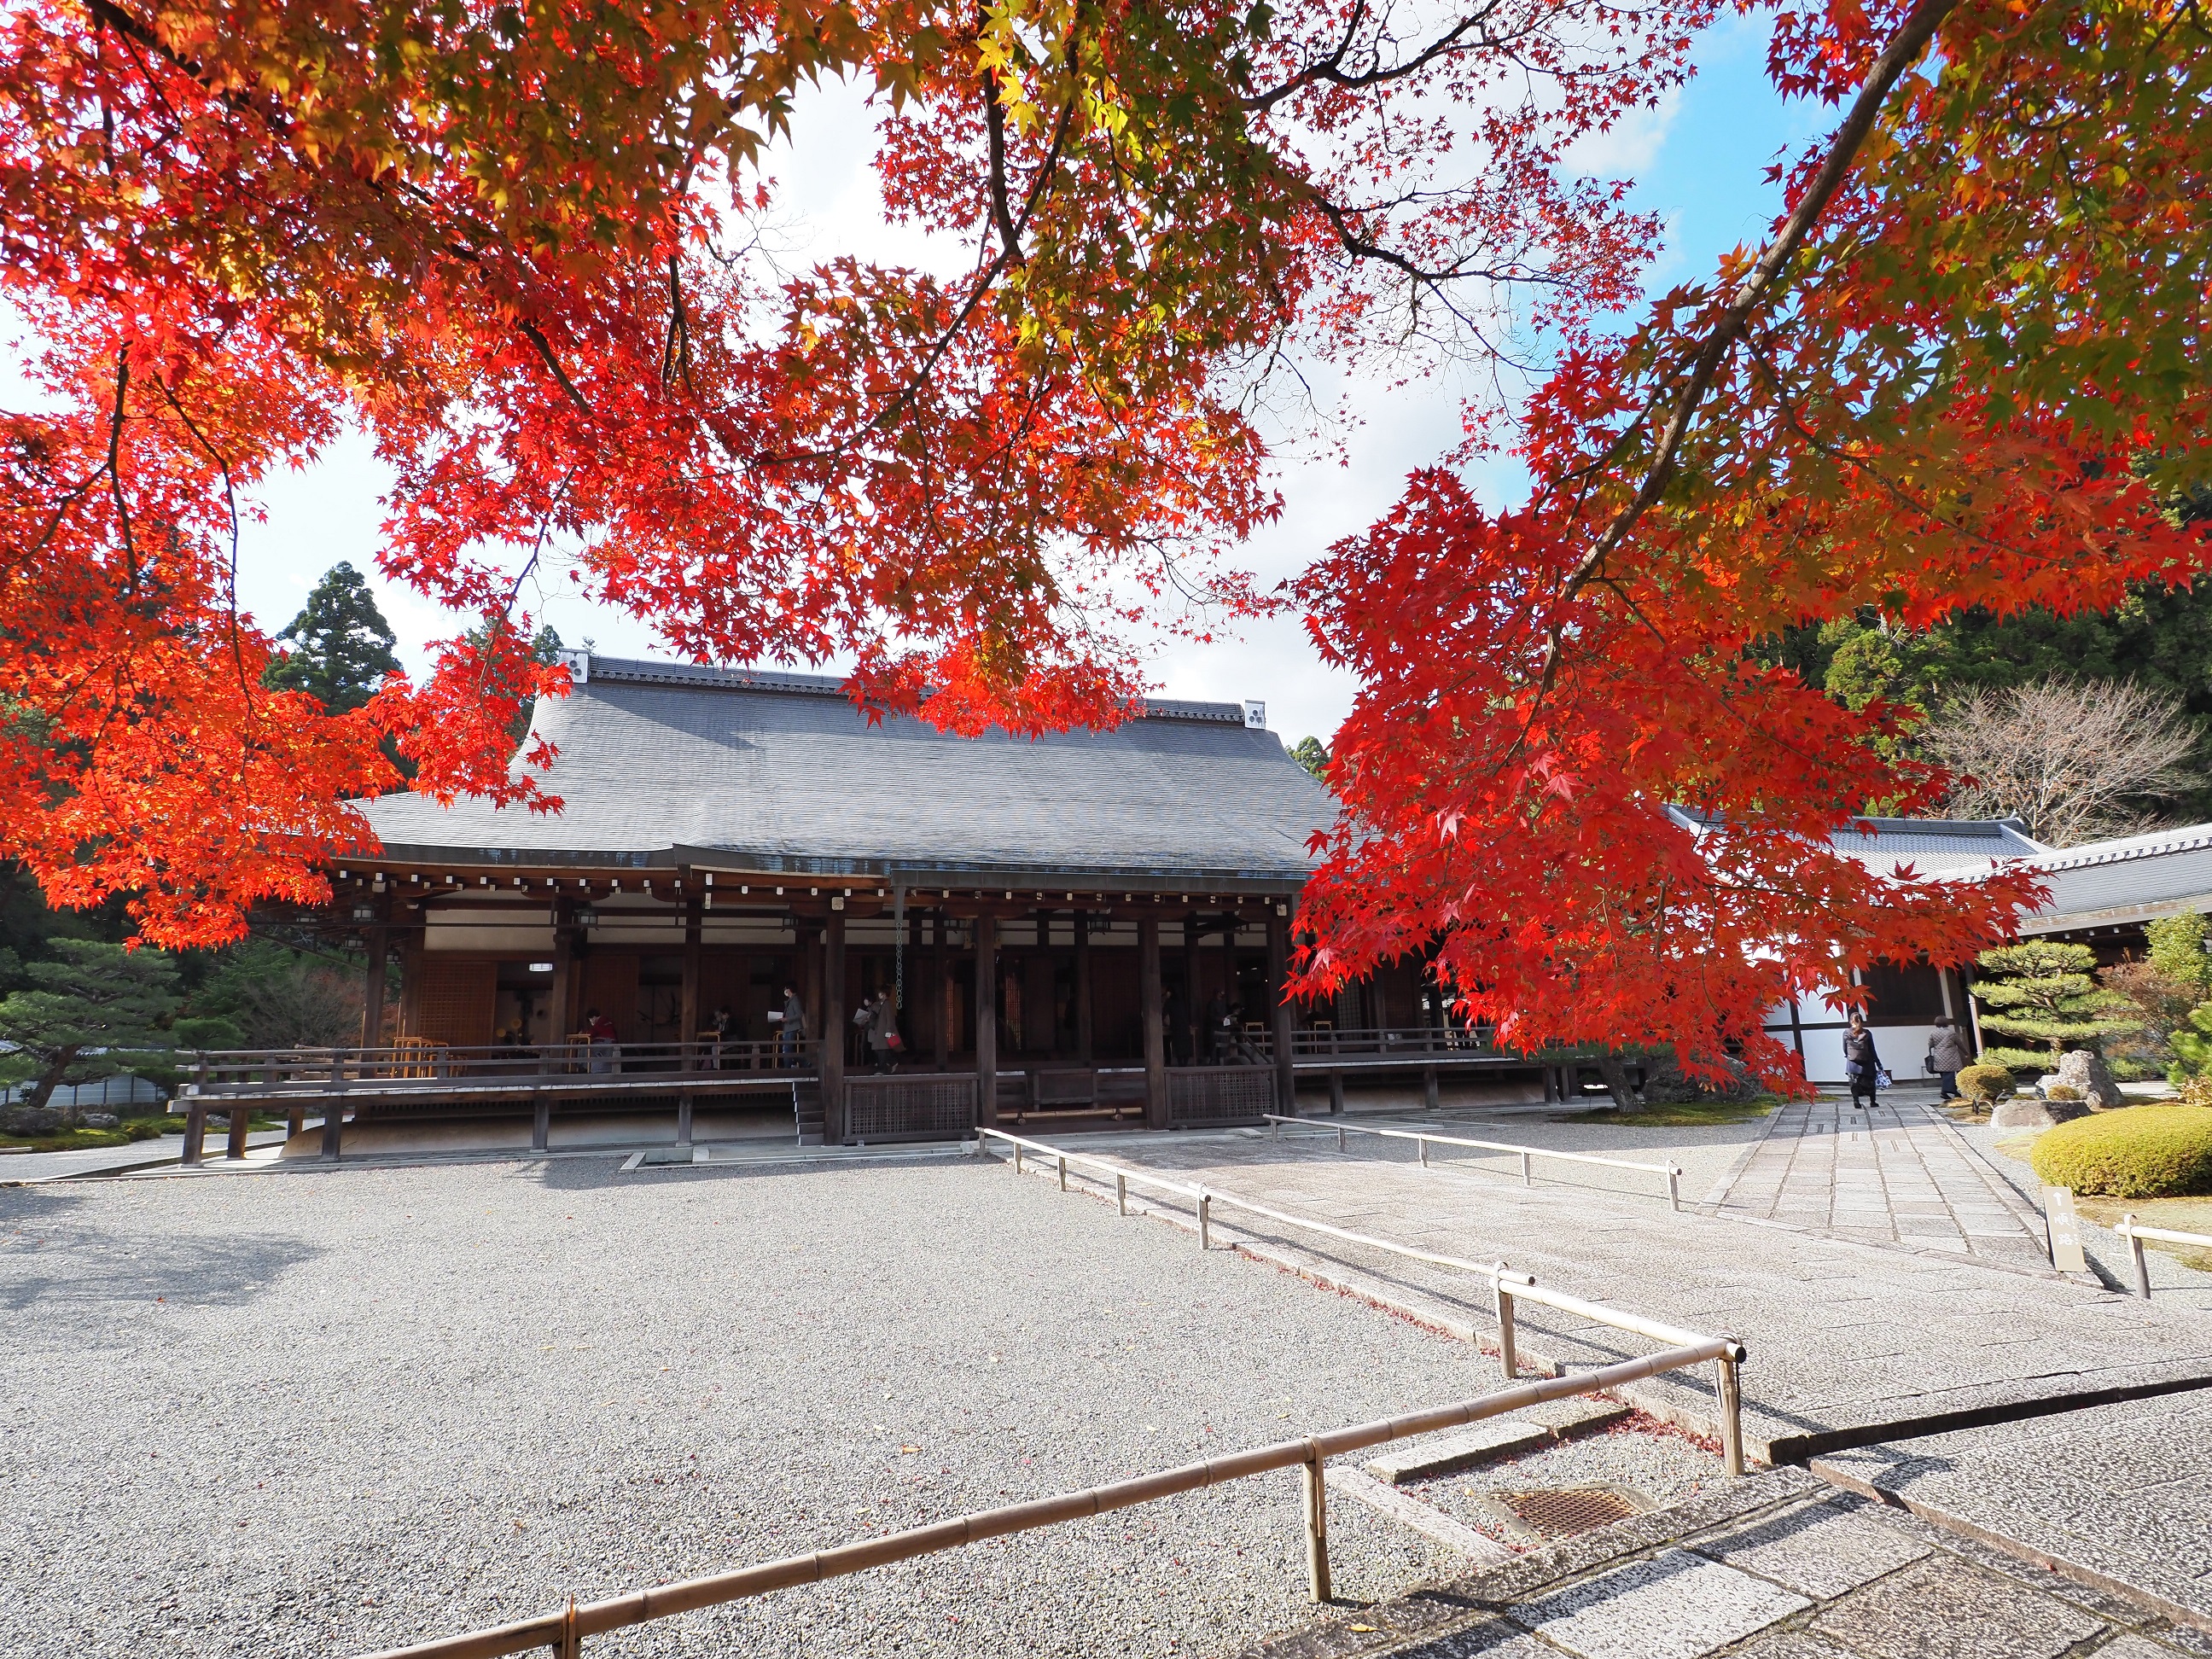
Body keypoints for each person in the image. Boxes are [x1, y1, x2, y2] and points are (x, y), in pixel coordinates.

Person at [1928, 1016, 1975, 1102]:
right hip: (1950, 1056)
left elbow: (1930, 1044)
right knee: (1949, 1075)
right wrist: (1966, 1053)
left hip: (1939, 1056)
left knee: (1945, 1075)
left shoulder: (1933, 1033)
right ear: (1946, 1023)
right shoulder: (1951, 1033)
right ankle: (1945, 1092)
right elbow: (1959, 1043)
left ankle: (1953, 1092)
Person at [1842, 1013, 1882, 1110]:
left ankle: (1856, 1101)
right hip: (1867, 1062)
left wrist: (1849, 1056)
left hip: (1852, 1063)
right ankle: (1872, 1102)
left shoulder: (1846, 1033)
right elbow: (1872, 1049)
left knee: (1854, 1083)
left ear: (1851, 1021)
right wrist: (1878, 1063)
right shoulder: (1867, 1033)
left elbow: (1844, 1048)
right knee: (1870, 1082)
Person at [865, 987, 901, 1074]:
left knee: (882, 1050)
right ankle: (892, 1063)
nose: (879, 994)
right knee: (880, 1050)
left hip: (884, 1031)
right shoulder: (882, 1004)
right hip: (880, 1030)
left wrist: (888, 1031)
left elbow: (890, 1019)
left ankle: (882, 1069)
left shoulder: (887, 1004)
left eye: (880, 993)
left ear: (884, 994)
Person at [777, 984, 806, 1068]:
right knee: (787, 1049)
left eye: (785, 989)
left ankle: (788, 1068)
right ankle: (804, 1063)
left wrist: (787, 1019)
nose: (784, 991)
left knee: (787, 1049)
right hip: (788, 1028)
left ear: (789, 990)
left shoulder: (795, 1000)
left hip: (792, 1028)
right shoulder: (790, 1001)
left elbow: (799, 1014)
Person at [585, 1006, 619, 1074]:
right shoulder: (607, 1021)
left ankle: (584, 1067)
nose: (591, 1022)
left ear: (593, 1017)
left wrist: (583, 1033)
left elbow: (592, 1033)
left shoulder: (601, 1022)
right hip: (611, 1042)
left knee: (586, 1049)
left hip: (605, 1042)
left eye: (590, 1020)